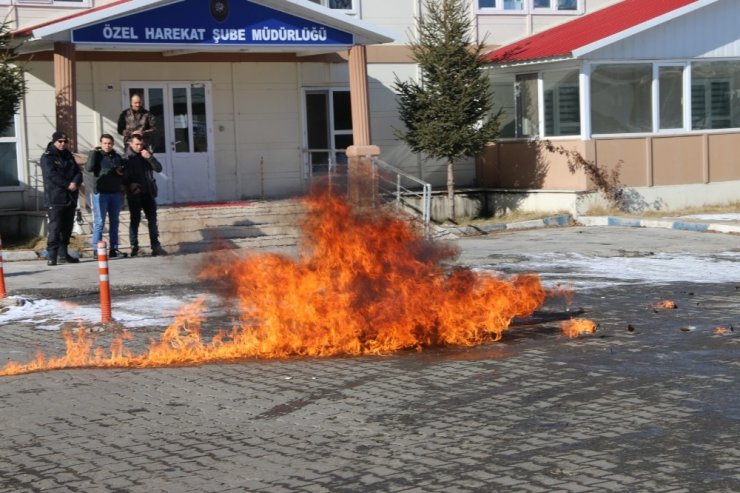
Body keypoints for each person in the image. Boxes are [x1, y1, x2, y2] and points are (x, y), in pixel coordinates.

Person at [40, 130, 83, 266]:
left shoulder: (68, 155)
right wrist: (67, 185)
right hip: (56, 197)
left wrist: (75, 182)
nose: (63, 144)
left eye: (65, 141)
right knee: (55, 227)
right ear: (54, 142)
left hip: (70, 197)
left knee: (67, 227)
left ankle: (63, 253)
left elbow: (77, 172)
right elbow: (51, 176)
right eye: (60, 141)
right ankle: (52, 255)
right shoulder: (48, 157)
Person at [123, 134, 167, 257]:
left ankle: (156, 246)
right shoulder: (126, 158)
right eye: (136, 144)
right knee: (135, 221)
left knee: (152, 221)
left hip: (148, 192)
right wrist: (130, 185)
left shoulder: (146, 155)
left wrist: (150, 158)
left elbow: (158, 169)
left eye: (141, 144)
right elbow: (122, 177)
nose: (139, 147)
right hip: (134, 194)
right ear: (130, 144)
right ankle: (134, 247)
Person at [85, 133, 126, 258]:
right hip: (101, 193)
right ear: (100, 144)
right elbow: (89, 168)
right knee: (99, 222)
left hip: (115, 193)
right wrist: (92, 153)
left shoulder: (117, 157)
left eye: (109, 143)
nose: (107, 146)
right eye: (105, 143)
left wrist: (120, 171)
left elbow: (123, 171)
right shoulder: (97, 156)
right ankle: (97, 251)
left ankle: (114, 249)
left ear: (112, 144)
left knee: (115, 222)